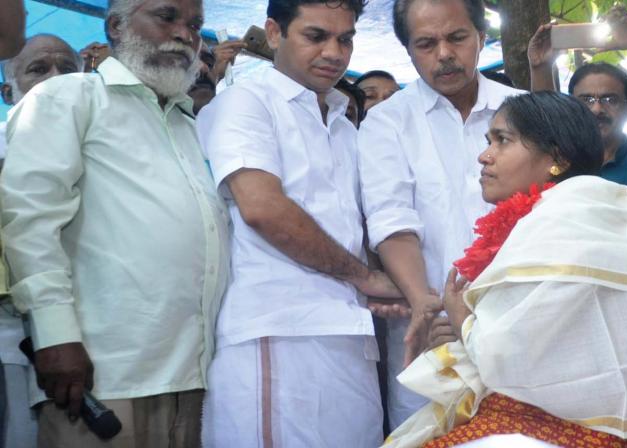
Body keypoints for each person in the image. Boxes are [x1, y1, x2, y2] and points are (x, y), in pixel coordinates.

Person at [384, 92, 627, 448]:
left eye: (502, 141)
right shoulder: (559, 213)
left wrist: (464, 320)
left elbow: (509, 355)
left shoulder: (568, 217)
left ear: (555, 158)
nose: (484, 155)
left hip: (587, 425)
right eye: (488, 141)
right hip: (546, 411)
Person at [0, 0, 231, 445]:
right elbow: (29, 220)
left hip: (192, 378)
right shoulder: (69, 97)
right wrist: (54, 334)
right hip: (98, 377)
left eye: (195, 24)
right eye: (167, 17)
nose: (185, 33)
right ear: (116, 27)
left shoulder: (188, 125)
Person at [196, 1, 400, 446]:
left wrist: (377, 288)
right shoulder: (245, 103)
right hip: (276, 330)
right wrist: (367, 278)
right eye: (315, 36)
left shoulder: (344, 124)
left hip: (348, 330)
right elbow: (263, 209)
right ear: (274, 33)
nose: (334, 52)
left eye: (345, 39)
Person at [358, 0, 524, 429]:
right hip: (430, 336)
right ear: (408, 51)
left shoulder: (526, 111)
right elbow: (390, 219)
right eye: (426, 44)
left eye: (457, 38)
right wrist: (424, 306)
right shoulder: (387, 122)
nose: (444, 54)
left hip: (523, 327)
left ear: (481, 37)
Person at [0, 33, 82, 448]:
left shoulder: (97, 150)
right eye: (38, 69)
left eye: (68, 70)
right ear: (6, 90)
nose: (55, 80)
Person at [527, 31, 627, 186]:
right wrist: (541, 67)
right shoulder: (559, 164)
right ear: (570, 107)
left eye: (610, 99)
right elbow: (546, 114)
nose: (596, 109)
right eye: (587, 100)